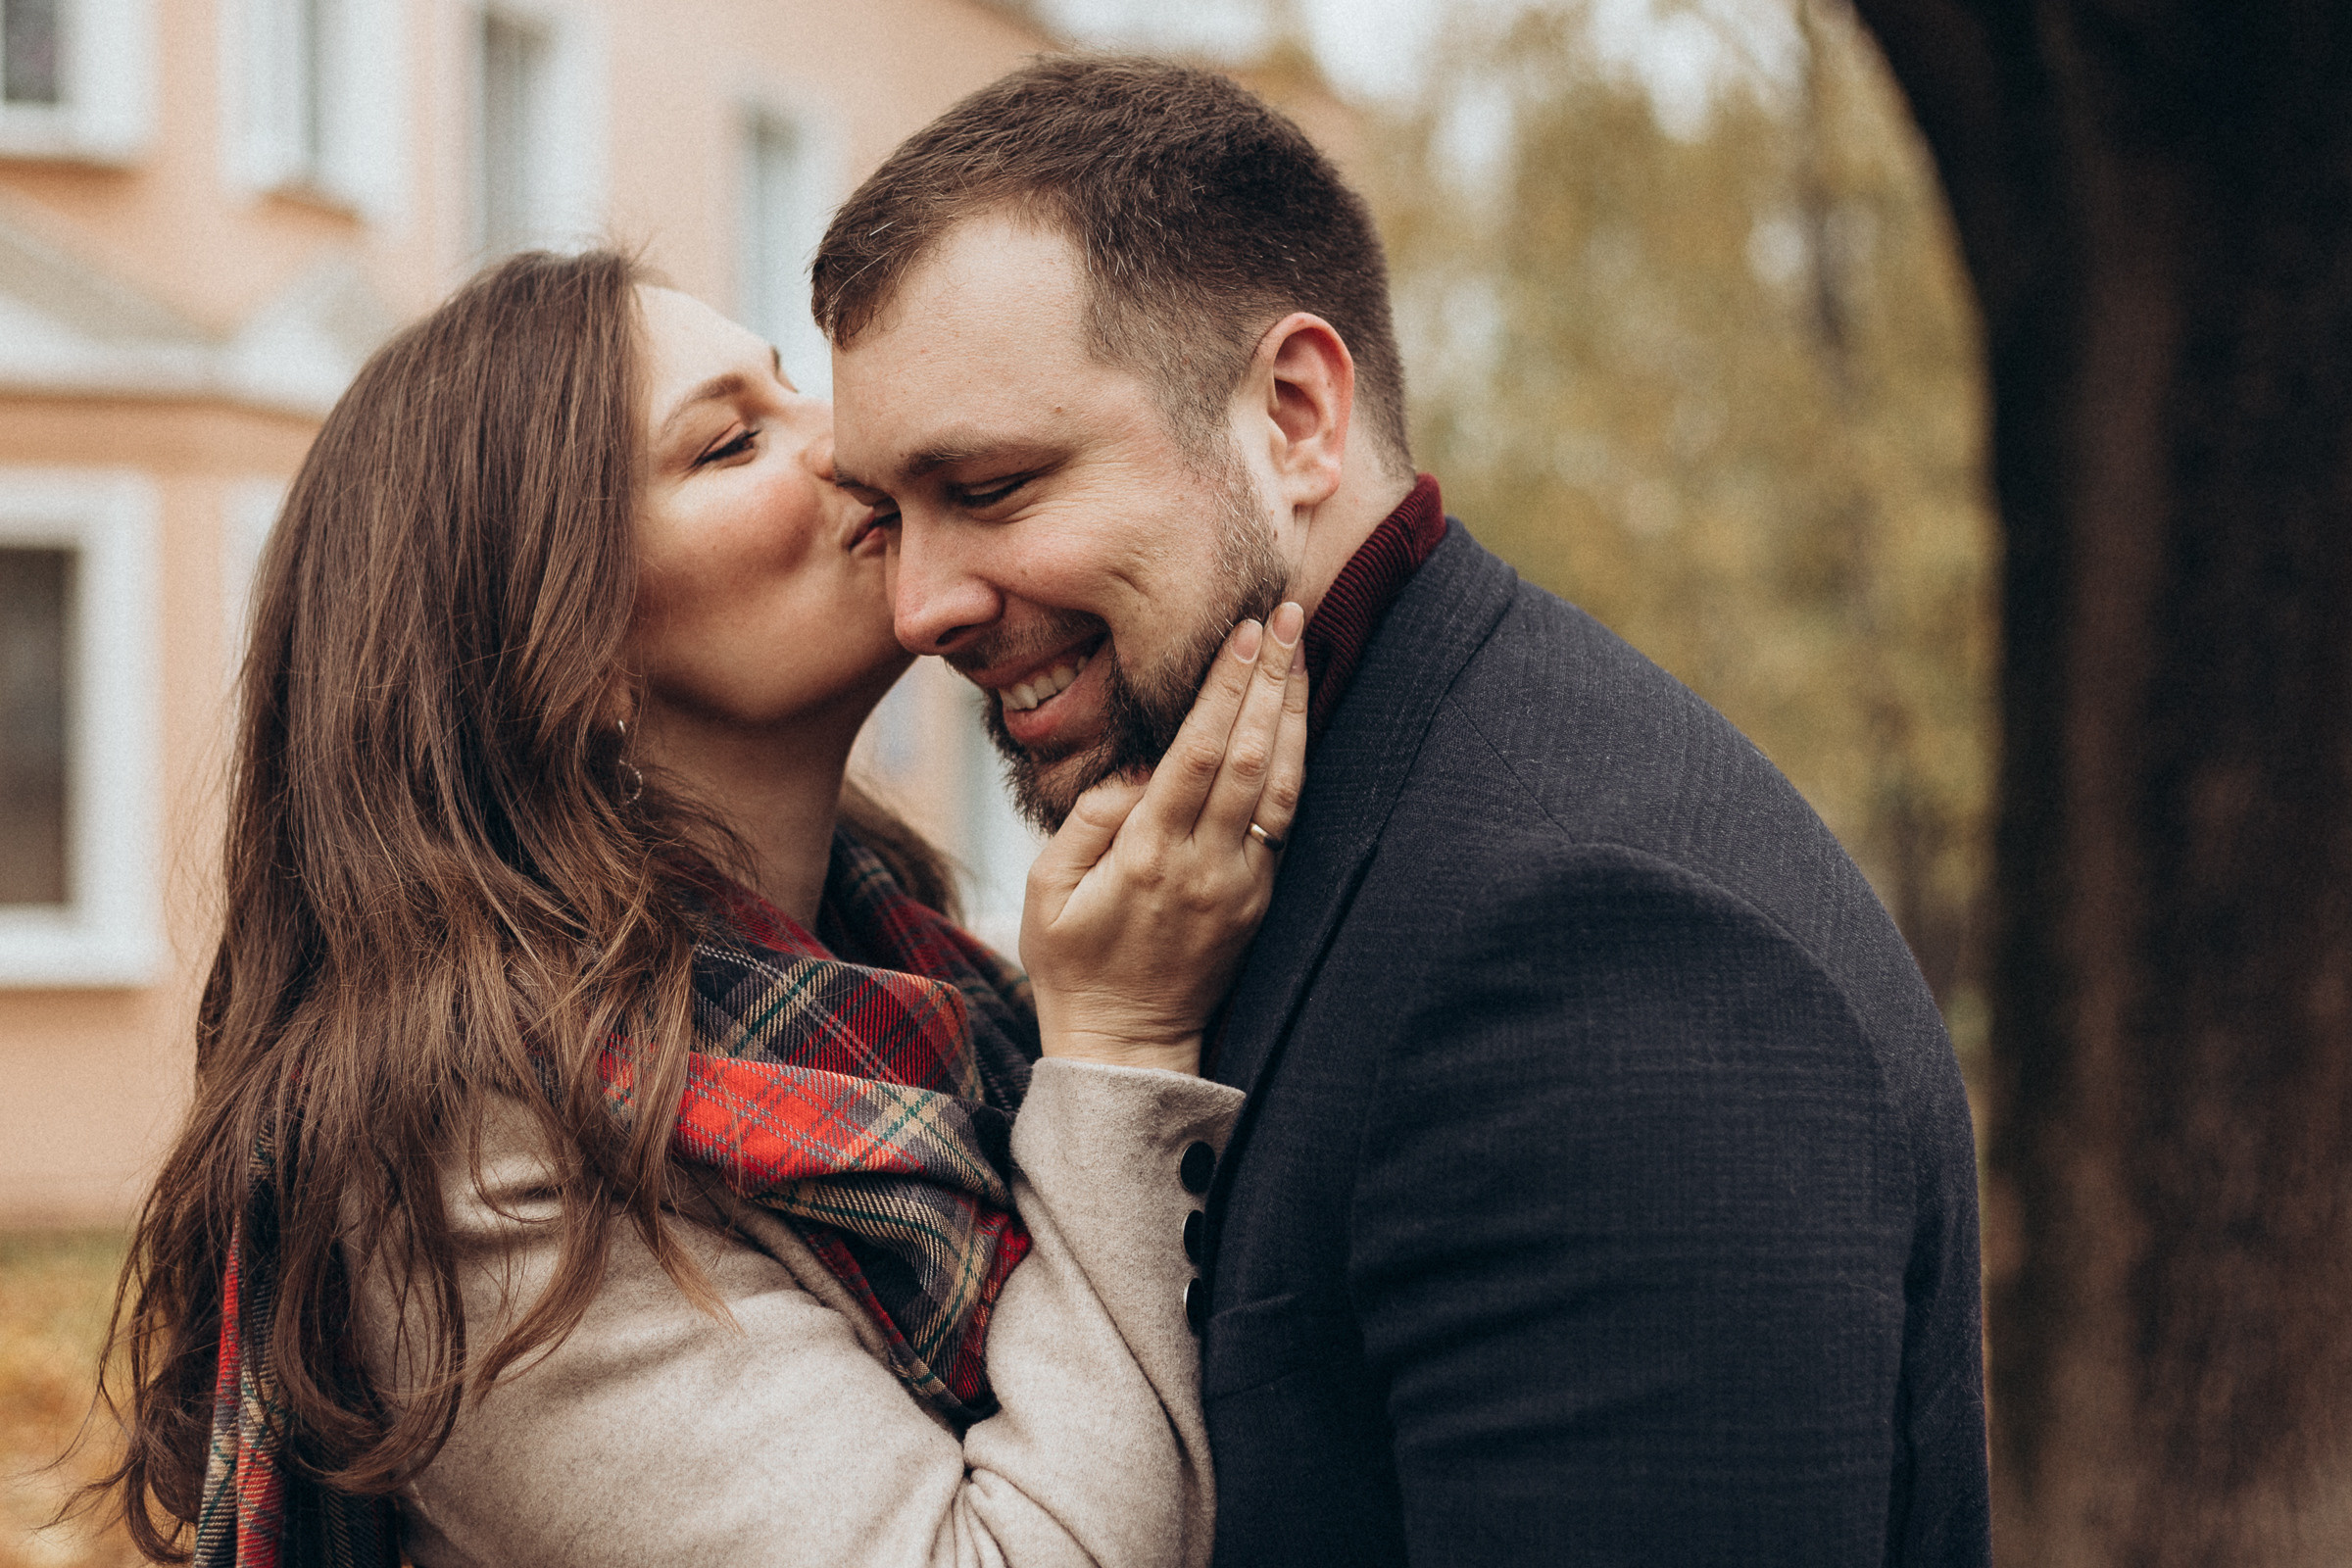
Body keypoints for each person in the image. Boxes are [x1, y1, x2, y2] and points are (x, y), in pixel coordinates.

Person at [820, 56, 1992, 1567]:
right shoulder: (1256, 853)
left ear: (1296, 414)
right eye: (881, 517)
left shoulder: (1597, 954)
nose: (919, 605)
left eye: (988, 486)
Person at [91, 249, 1310, 1568]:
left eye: (795, 389)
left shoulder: (908, 978)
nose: (851, 442)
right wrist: (1121, 1046)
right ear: (573, 641)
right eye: (733, 442)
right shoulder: (479, 1160)